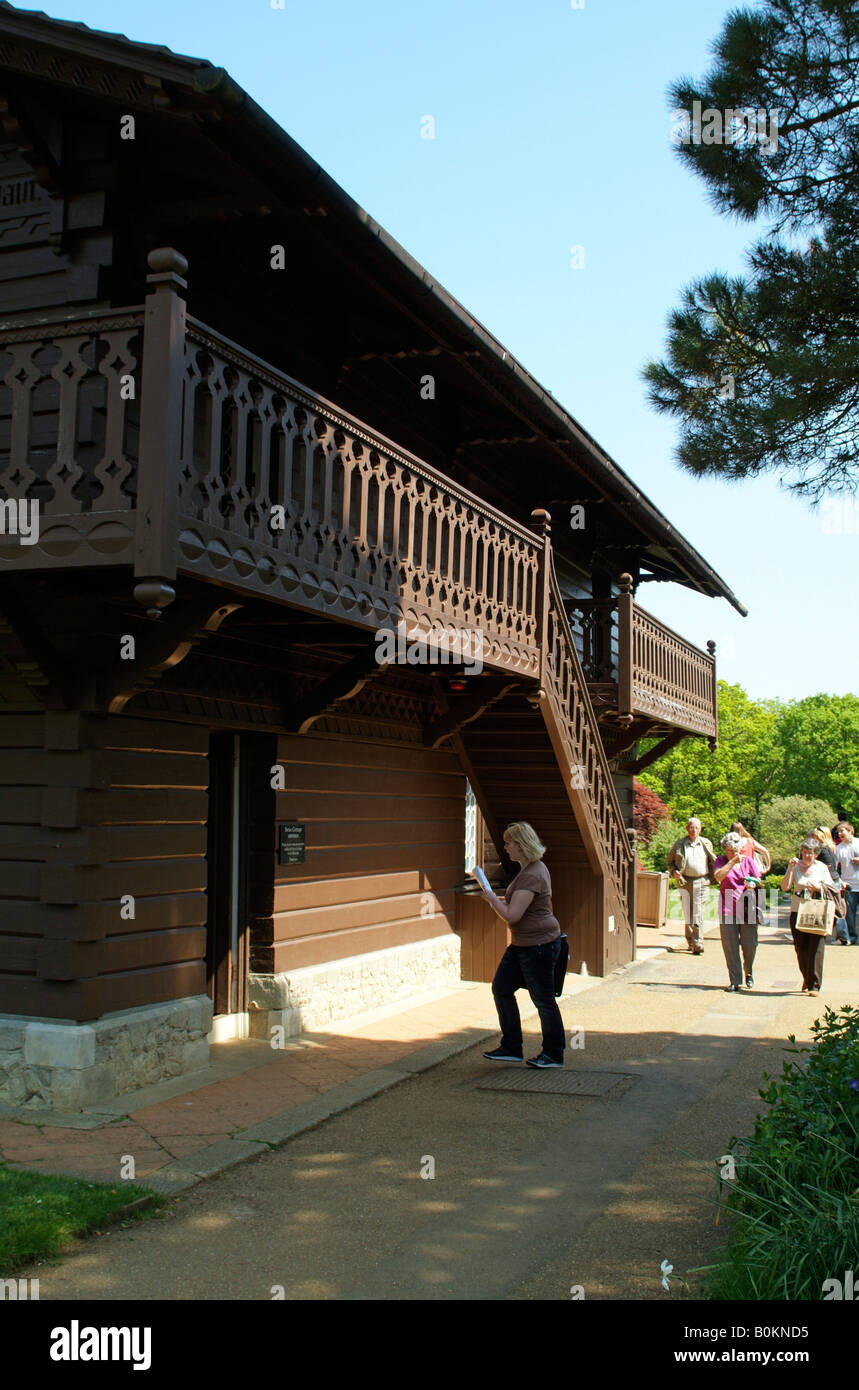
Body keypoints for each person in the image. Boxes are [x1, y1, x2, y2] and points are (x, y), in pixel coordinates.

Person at [473, 822, 565, 1068]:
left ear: (521, 845)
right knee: (502, 988)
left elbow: (513, 915)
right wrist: (500, 900)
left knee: (543, 999)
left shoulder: (533, 874)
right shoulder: (530, 869)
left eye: (508, 843)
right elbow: (517, 907)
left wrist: (491, 897)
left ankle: (553, 1054)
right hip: (523, 943)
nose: (506, 847)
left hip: (538, 945)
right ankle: (511, 1047)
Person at [781, 838, 833, 995]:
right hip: (798, 911)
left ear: (816, 854)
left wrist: (819, 887)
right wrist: (790, 869)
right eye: (804, 852)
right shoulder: (795, 867)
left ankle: (814, 985)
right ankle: (806, 976)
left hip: (816, 911)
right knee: (800, 948)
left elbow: (831, 888)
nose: (807, 856)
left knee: (816, 948)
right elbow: (785, 887)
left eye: (810, 853)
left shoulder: (822, 868)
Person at [713, 831, 761, 992]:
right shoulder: (720, 861)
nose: (733, 853)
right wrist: (732, 862)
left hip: (747, 906)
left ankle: (749, 971)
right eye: (729, 850)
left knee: (750, 944)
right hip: (727, 906)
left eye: (736, 850)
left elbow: (758, 879)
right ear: (724, 849)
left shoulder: (748, 861)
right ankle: (735, 980)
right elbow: (718, 877)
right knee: (730, 945)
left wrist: (753, 884)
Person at [666, 817, 716, 955]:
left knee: (698, 912)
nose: (694, 830)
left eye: (697, 828)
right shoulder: (679, 844)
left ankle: (698, 942)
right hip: (685, 881)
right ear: (687, 828)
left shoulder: (706, 843)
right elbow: (669, 862)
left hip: (702, 881)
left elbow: (713, 861)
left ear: (700, 829)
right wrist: (674, 872)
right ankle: (691, 942)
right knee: (688, 912)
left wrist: (714, 877)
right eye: (692, 827)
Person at [812, 826, 847, 944]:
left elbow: (828, 866)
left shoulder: (823, 849)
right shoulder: (831, 848)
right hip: (834, 880)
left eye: (815, 837)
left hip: (829, 882)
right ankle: (839, 936)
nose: (813, 839)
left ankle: (842, 937)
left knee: (835, 910)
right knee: (836, 908)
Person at [835, 821, 859, 946]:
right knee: (850, 914)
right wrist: (840, 881)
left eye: (842, 831)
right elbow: (833, 867)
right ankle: (852, 937)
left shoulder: (858, 843)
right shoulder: (838, 849)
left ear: (851, 831)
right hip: (849, 885)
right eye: (838, 832)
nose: (840, 834)